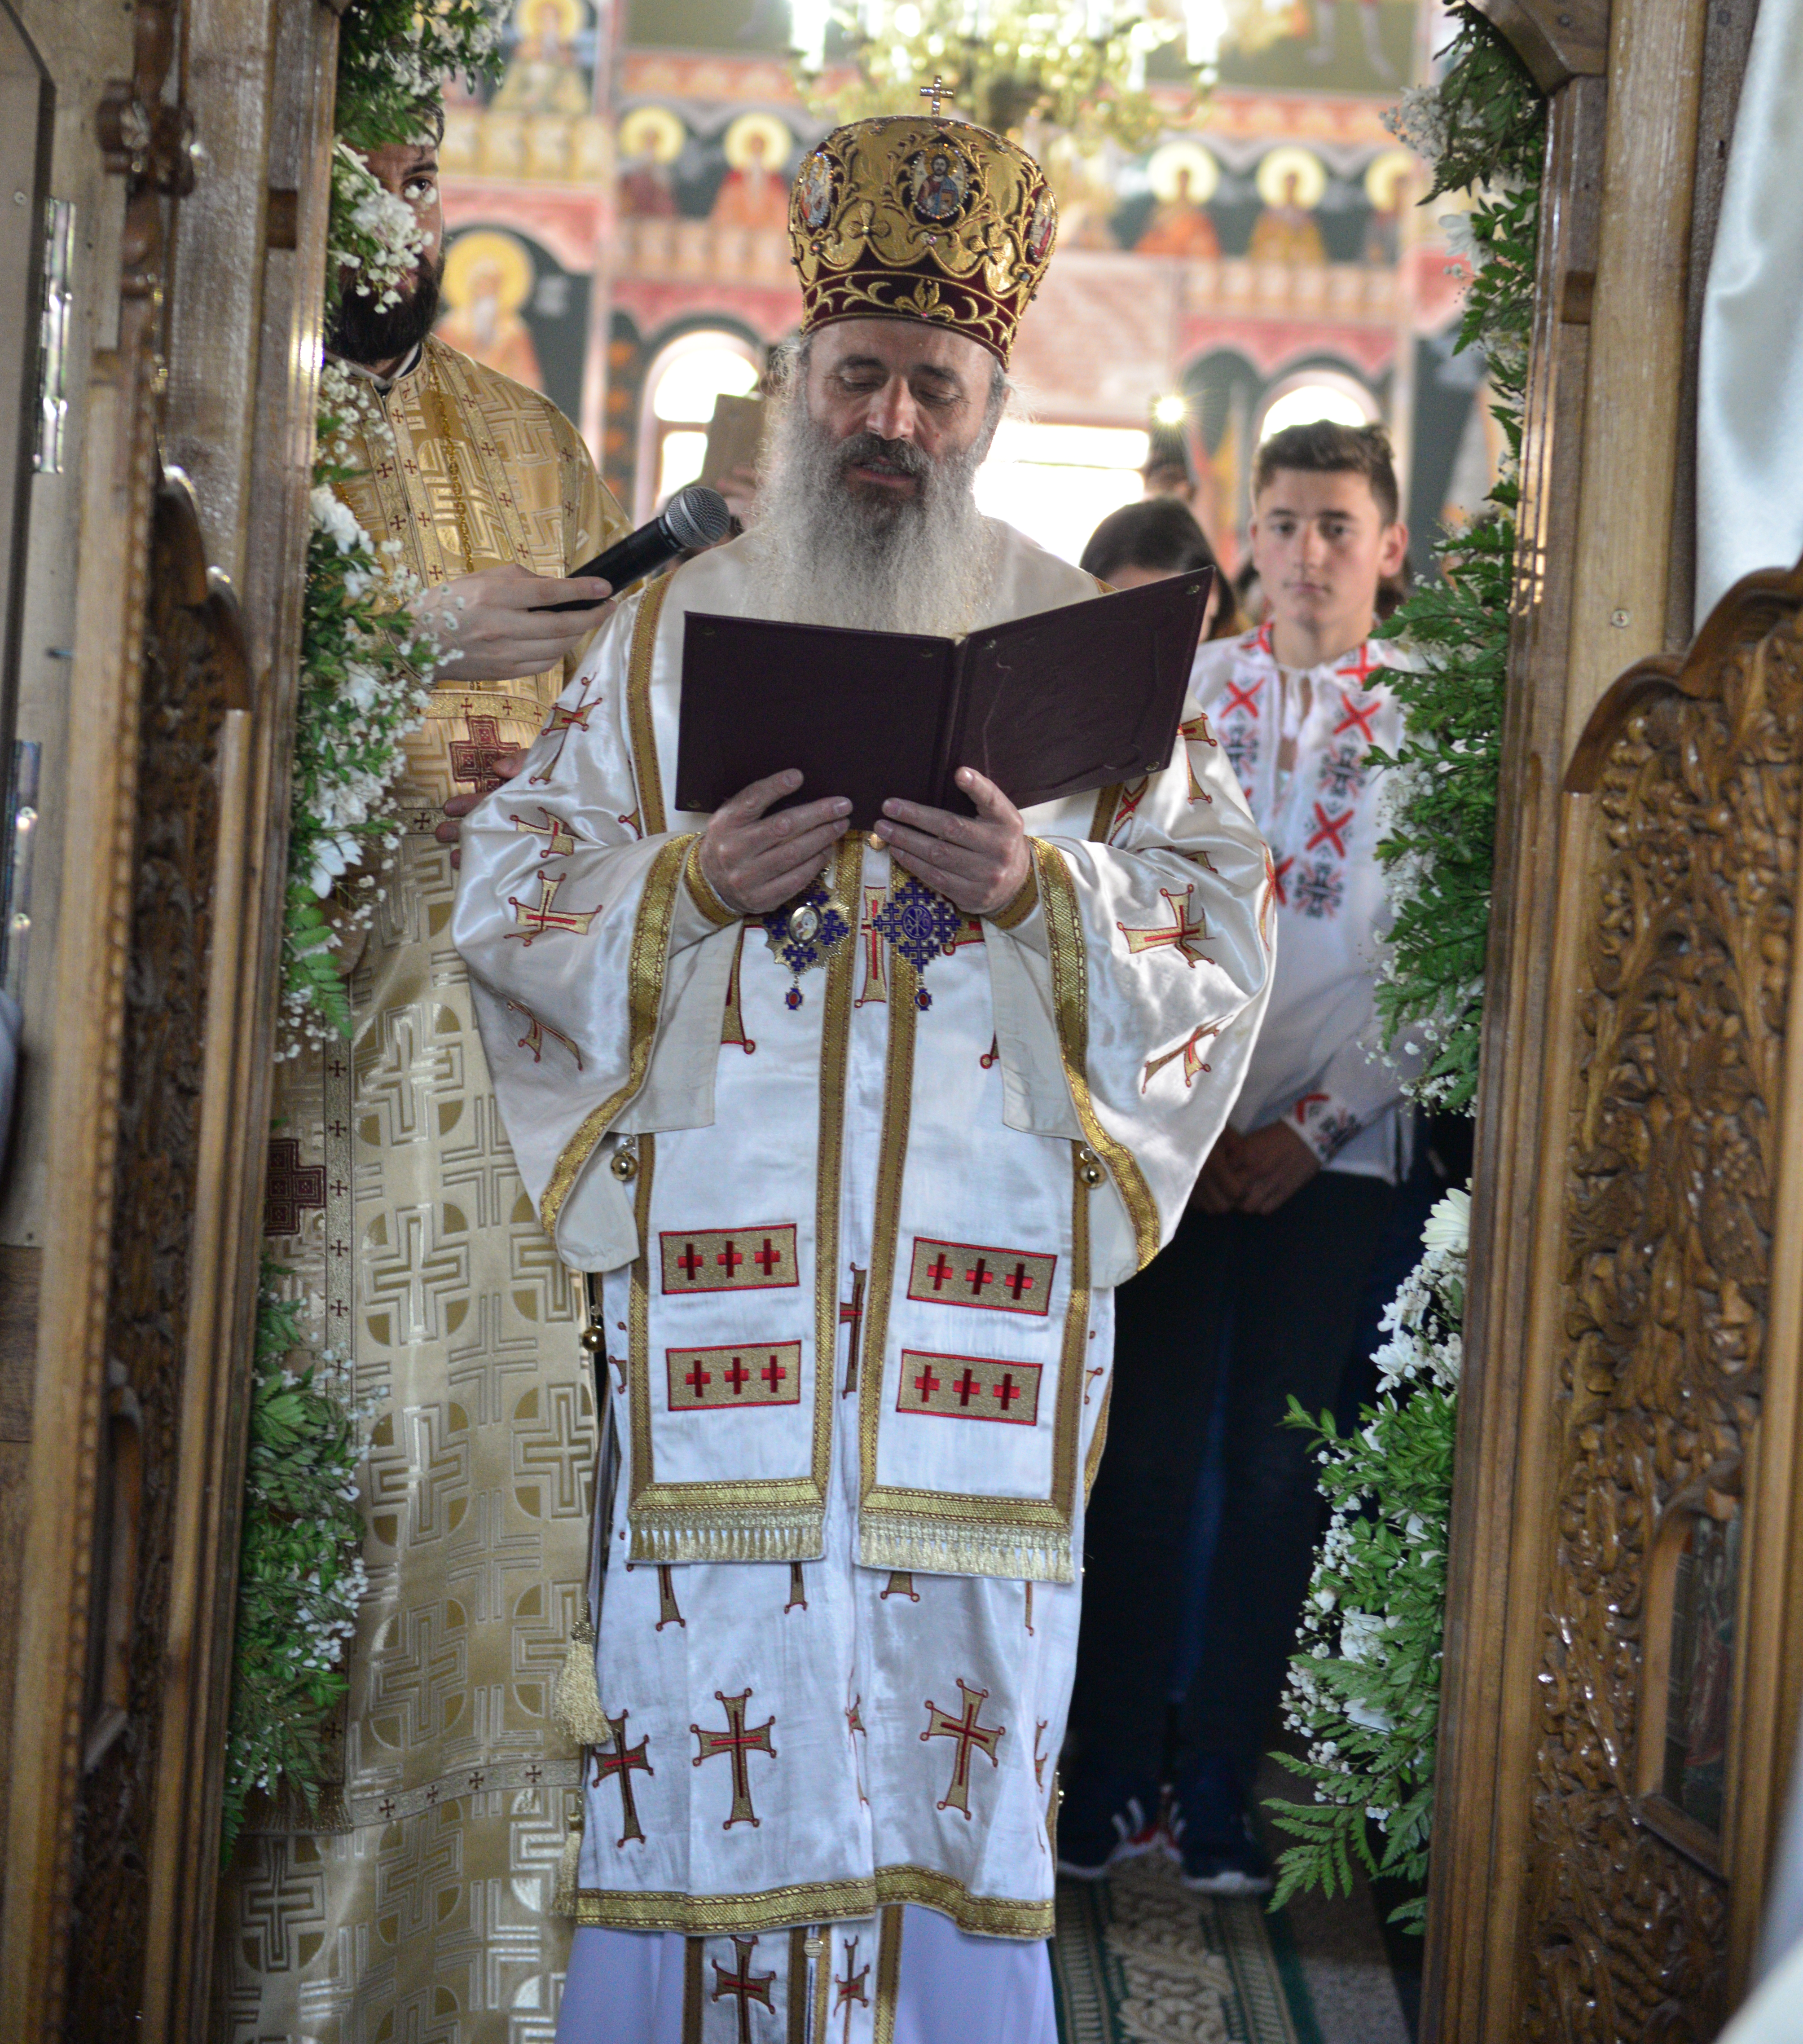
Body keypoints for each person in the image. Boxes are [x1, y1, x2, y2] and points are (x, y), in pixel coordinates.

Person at [452, 113, 1277, 2041]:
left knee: (956, 1724)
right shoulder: (658, 636)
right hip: (724, 1316)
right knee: (695, 1708)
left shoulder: (1090, 659)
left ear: (984, 402)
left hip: (965, 1340)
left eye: (932, 381)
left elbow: (1215, 921)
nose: (888, 413)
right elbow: (513, 881)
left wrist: (1045, 888)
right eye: (856, 375)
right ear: (797, 381)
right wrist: (673, 886)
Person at [219, 105, 626, 2038]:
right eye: (363, 154)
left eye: (419, 160)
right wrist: (390, 675)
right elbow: (142, 706)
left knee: (493, 1546)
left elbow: (636, 765)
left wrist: (540, 780)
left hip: (507, 1112)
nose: (400, 197)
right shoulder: (220, 418)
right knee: (313, 1541)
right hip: (285, 1091)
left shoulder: (531, 439)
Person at [1061, 418, 1415, 1895]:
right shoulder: (1177, 698)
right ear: (1245, 541)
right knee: (1134, 1460)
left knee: (1277, 1473)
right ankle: (1103, 1774)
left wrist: (1310, 1123)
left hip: (1334, 1156)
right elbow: (1111, 902)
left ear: (1389, 544)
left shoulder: (1444, 725)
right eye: (1279, 522)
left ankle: (1217, 1775)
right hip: (1173, 1138)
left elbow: (1450, 962)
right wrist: (1189, 1110)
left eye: (1335, 523)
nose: (1305, 551)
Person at [1079, 495, 1239, 638]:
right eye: (1123, 612)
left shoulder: (1255, 666)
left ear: (1212, 593)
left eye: (1166, 613)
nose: (1147, 636)